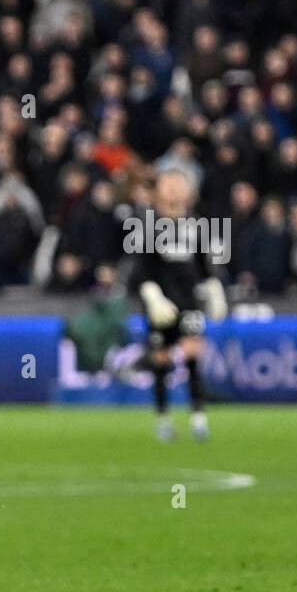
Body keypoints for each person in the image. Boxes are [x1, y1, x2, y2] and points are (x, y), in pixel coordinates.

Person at [128, 169, 228, 441]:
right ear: (158, 190)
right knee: (160, 360)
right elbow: (139, 273)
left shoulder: (197, 224)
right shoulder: (147, 225)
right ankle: (163, 419)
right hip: (160, 305)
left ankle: (198, 418)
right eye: (168, 185)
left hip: (189, 302)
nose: (173, 190)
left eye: (178, 185)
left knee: (192, 354)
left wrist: (215, 291)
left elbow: (205, 267)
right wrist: (153, 298)